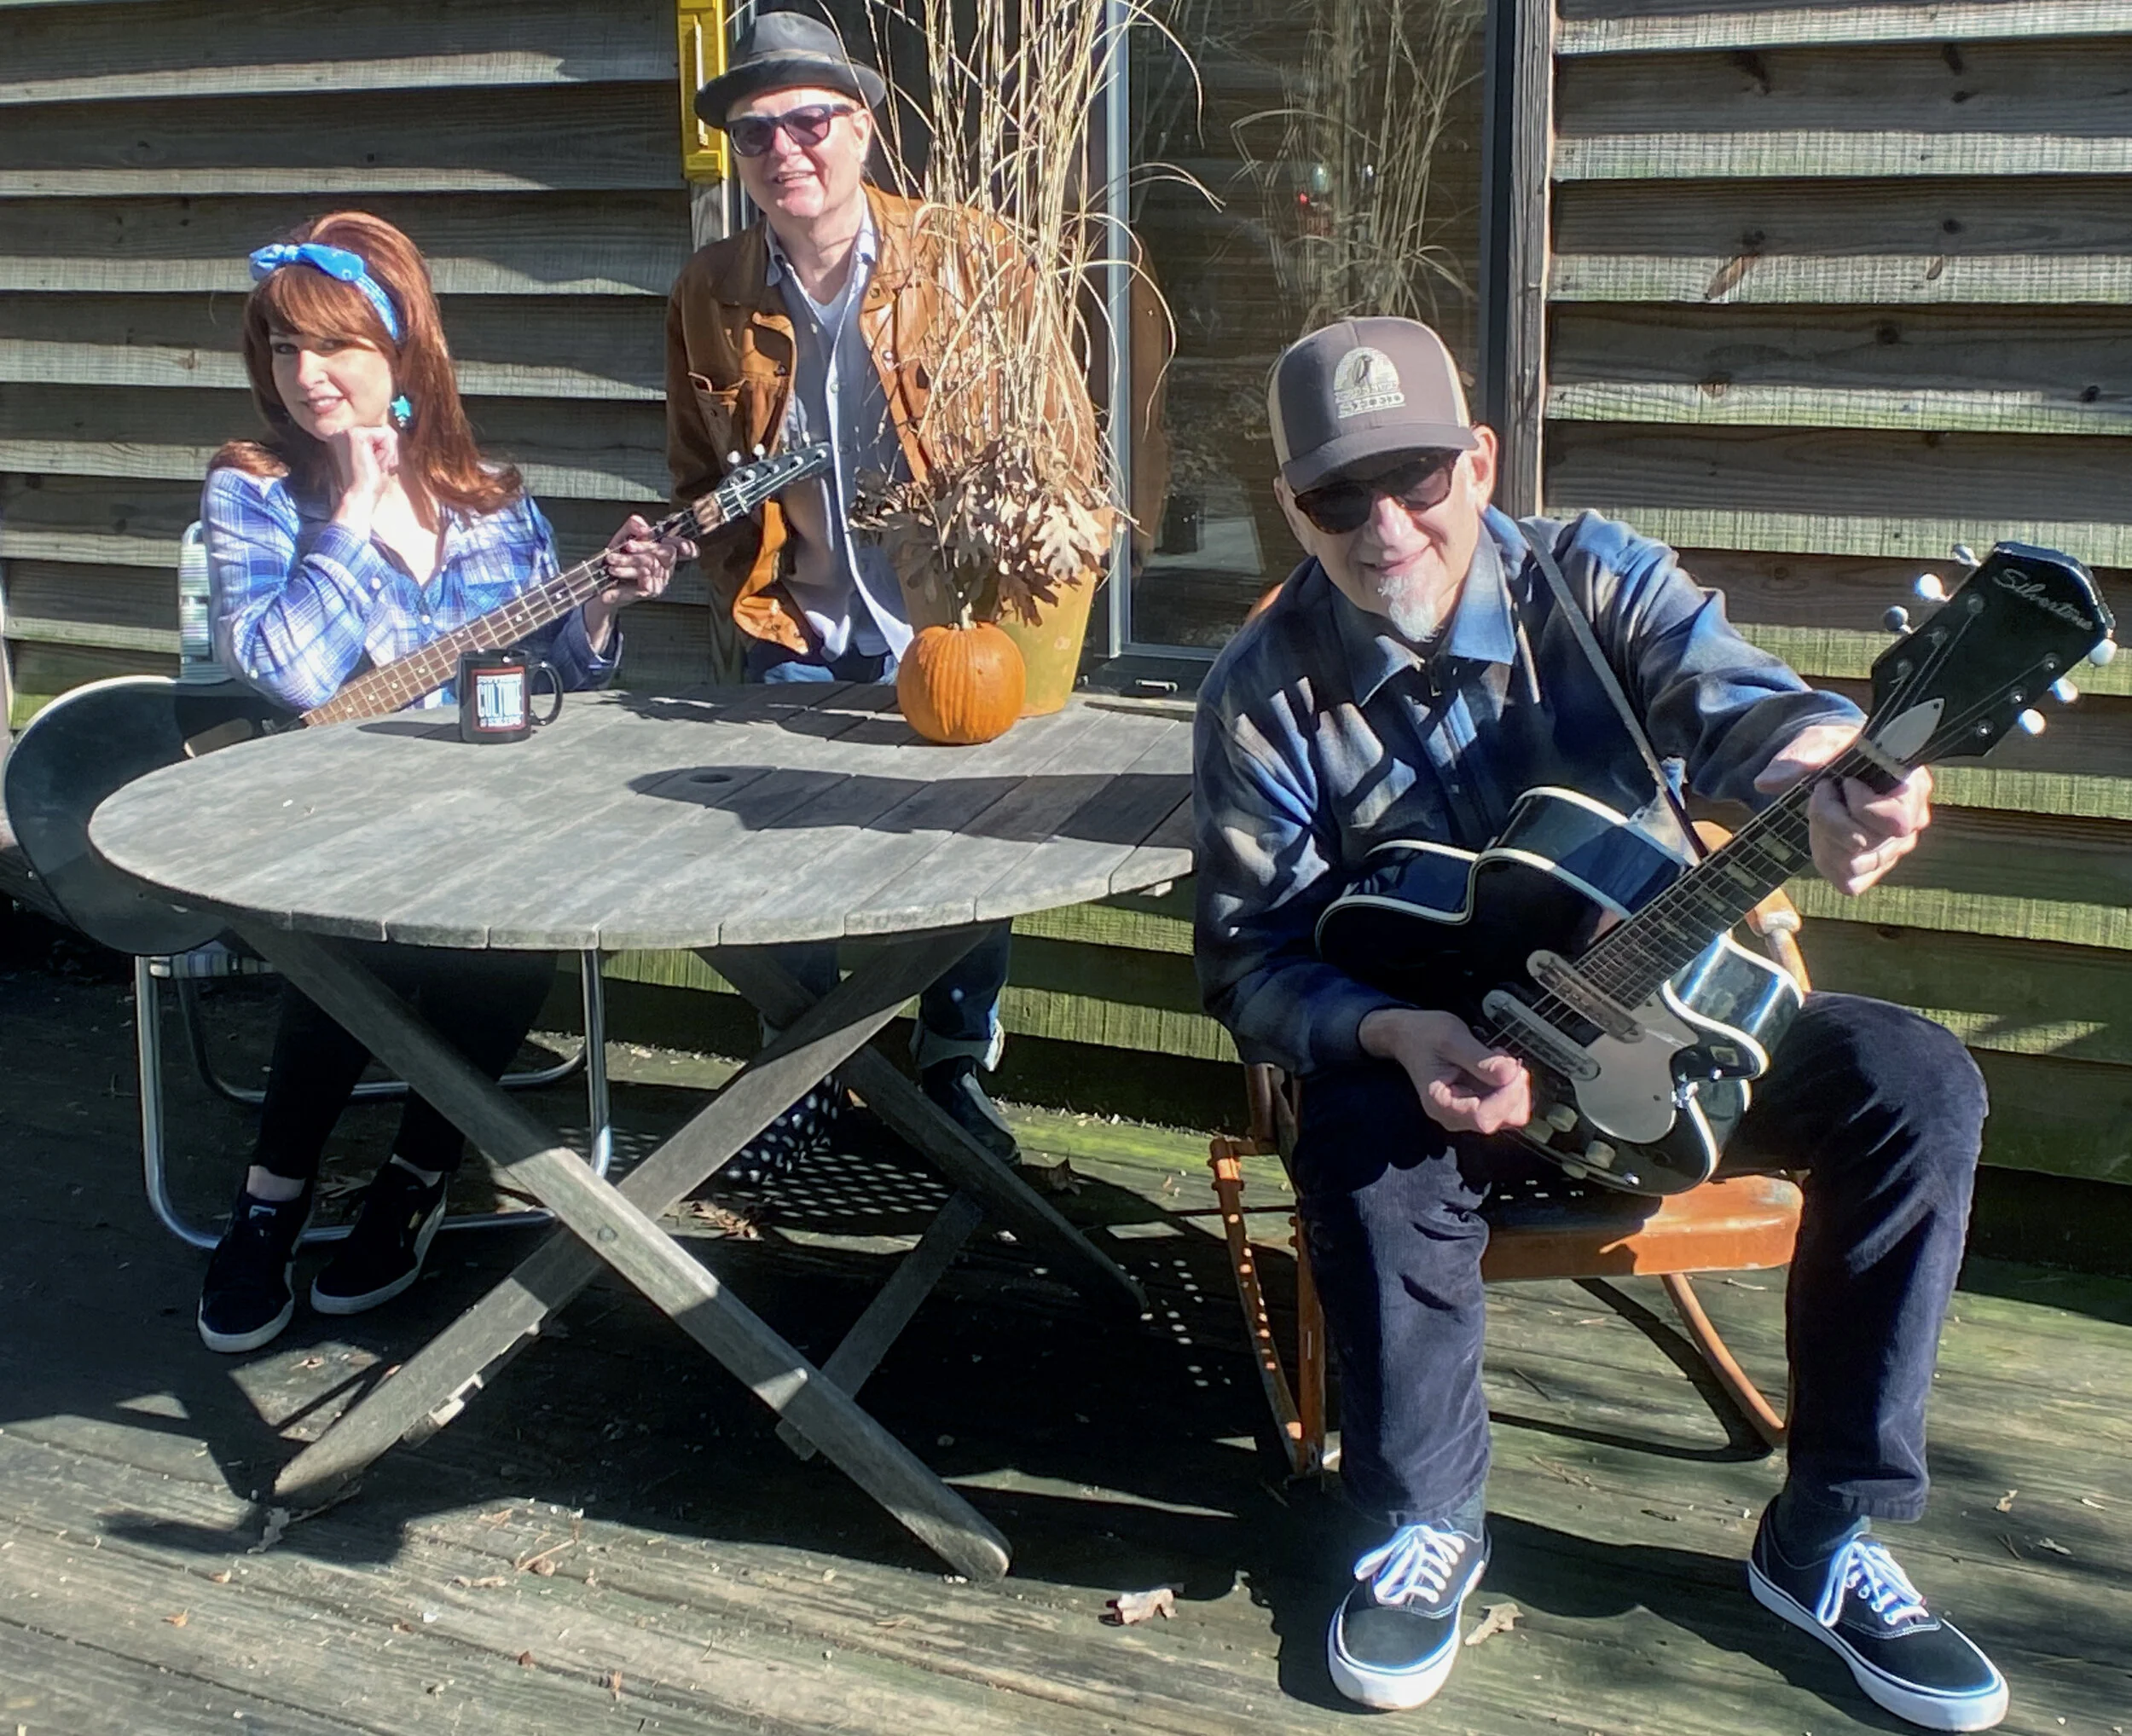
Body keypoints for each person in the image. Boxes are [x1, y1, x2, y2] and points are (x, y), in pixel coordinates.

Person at [1193, 316, 2007, 1730]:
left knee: (1916, 1079)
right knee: (1359, 1140)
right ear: (1290, 505)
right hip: (1443, 1076)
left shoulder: (1593, 581)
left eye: (1417, 480)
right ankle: (1424, 1520)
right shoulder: (1263, 692)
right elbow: (1249, 959)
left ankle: (1825, 1537)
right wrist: (1393, 1034)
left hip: (1666, 1036)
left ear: (1480, 459)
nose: (1385, 527)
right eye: (1337, 496)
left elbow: (1753, 710)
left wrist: (1837, 773)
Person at [197, 211, 683, 1353]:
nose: (306, 375)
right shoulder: (253, 493)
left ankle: (420, 1168)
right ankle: (272, 1196)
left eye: (336, 346)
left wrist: (602, 608)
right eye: (284, 347)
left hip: (478, 821)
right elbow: (288, 671)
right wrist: (351, 519)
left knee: (516, 916)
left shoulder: (493, 503)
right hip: (319, 824)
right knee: (346, 937)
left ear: (403, 349)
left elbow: (551, 681)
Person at [663, 9, 1106, 1172]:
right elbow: (699, 472)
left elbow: (1060, 446)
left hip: (948, 630)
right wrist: (730, 577)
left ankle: (951, 1065)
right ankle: (802, 1078)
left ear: (861, 128)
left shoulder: (972, 260)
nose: (785, 150)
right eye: (757, 134)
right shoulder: (711, 290)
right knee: (786, 864)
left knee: (962, 861)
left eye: (810, 122)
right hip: (798, 625)